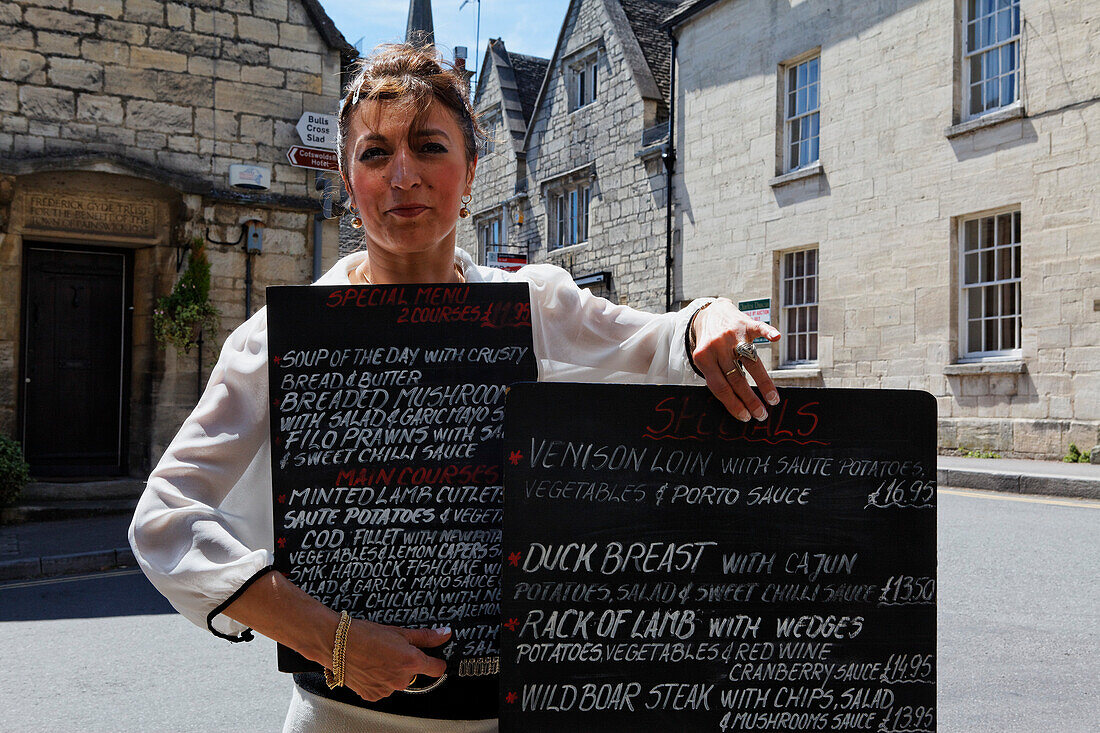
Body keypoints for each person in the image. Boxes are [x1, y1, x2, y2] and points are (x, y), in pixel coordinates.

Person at [129, 44, 782, 733]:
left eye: (428, 146)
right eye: (375, 154)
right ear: (350, 182)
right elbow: (165, 519)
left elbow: (657, 343)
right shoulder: (279, 340)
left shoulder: (532, 306)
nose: (402, 175)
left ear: (470, 171)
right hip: (340, 720)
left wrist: (709, 316)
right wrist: (333, 638)